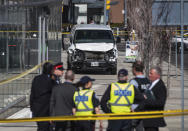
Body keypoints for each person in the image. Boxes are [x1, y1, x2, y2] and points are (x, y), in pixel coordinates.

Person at [30, 62, 54, 131]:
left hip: (37, 108)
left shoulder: (36, 79)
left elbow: (32, 94)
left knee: (41, 127)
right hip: (46, 109)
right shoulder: (50, 80)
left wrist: (32, 107)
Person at [143, 66, 167, 131]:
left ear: (157, 75)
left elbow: (160, 102)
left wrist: (146, 100)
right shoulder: (151, 84)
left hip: (153, 118)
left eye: (151, 73)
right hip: (148, 118)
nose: (149, 75)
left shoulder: (160, 86)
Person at [129, 61, 151, 131]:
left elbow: (129, 96)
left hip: (134, 111)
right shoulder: (148, 81)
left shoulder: (133, 82)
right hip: (144, 110)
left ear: (134, 69)